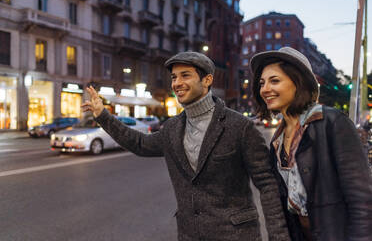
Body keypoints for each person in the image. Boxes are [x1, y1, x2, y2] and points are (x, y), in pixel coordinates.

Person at [82, 51, 289, 240]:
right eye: (174, 77)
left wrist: (278, 237)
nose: (177, 83)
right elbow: (140, 143)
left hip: (236, 234)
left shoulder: (240, 126)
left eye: (185, 75)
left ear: (207, 80)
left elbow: (267, 185)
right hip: (190, 234)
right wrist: (103, 116)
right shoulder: (172, 128)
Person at [250, 46, 372, 241]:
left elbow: (362, 200)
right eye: (262, 83)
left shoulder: (332, 123)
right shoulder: (276, 141)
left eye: (275, 81)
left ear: (298, 83)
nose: (265, 89)